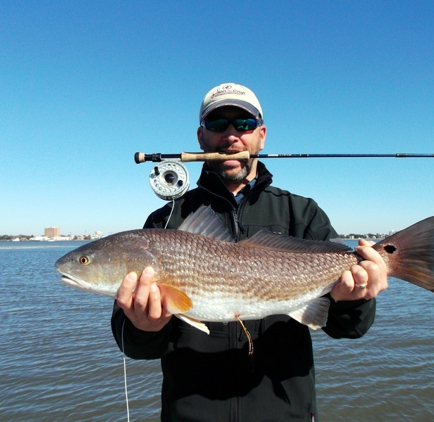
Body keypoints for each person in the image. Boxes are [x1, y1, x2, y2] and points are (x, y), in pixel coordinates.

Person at [111, 82, 388, 421]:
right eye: (217, 124)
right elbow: (135, 346)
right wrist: (144, 328)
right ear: (201, 137)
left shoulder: (302, 214)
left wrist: (355, 300)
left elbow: (350, 328)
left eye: (243, 124)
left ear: (262, 134)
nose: (231, 135)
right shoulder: (165, 222)